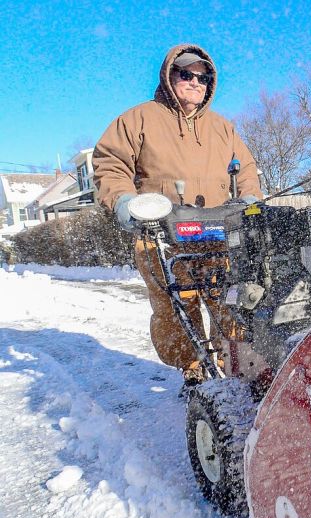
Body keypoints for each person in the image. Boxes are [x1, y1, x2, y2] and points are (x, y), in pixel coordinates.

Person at [93, 44, 262, 386]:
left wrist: (249, 200)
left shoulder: (222, 128)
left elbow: (246, 169)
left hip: (217, 230)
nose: (195, 82)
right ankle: (194, 370)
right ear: (170, 76)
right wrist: (125, 202)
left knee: (231, 298)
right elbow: (110, 165)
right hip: (161, 235)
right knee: (176, 309)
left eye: (203, 77)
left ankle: (236, 364)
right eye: (186, 74)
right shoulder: (139, 119)